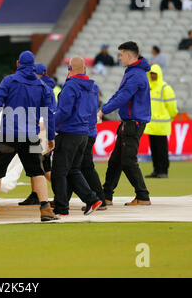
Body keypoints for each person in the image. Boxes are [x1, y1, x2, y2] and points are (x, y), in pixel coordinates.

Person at [0, 51, 56, 224]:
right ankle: (45, 209)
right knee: (37, 172)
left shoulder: (9, 81)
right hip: (31, 136)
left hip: (9, 135)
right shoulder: (42, 86)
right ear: (33, 66)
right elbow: (49, 115)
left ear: (18, 63)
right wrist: (51, 137)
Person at [97, 41, 152, 206]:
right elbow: (119, 94)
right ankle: (106, 195)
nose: (119, 58)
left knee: (127, 161)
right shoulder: (133, 72)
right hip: (128, 123)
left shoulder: (135, 75)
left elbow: (123, 97)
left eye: (121, 55)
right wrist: (104, 108)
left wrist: (102, 111)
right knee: (115, 161)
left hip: (132, 124)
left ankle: (142, 195)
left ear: (129, 55)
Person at [51, 57, 103, 216]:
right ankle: (92, 199)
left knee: (59, 172)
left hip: (68, 132)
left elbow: (64, 112)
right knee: (73, 170)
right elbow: (94, 111)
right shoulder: (93, 88)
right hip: (84, 133)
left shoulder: (70, 86)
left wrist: (50, 125)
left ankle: (62, 208)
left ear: (70, 69)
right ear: (85, 69)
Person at [18, 63, 56, 205]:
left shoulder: (43, 88)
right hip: (37, 130)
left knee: (43, 166)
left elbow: (49, 113)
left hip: (42, 131)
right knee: (35, 164)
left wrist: (49, 135)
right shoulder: (42, 87)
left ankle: (63, 190)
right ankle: (35, 194)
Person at [144, 64, 178, 178]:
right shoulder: (149, 87)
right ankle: (156, 170)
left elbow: (172, 107)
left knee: (162, 150)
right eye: (151, 73)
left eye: (154, 74)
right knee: (154, 150)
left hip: (161, 125)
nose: (152, 76)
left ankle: (163, 171)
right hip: (152, 125)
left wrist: (170, 118)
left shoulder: (165, 88)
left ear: (159, 74)